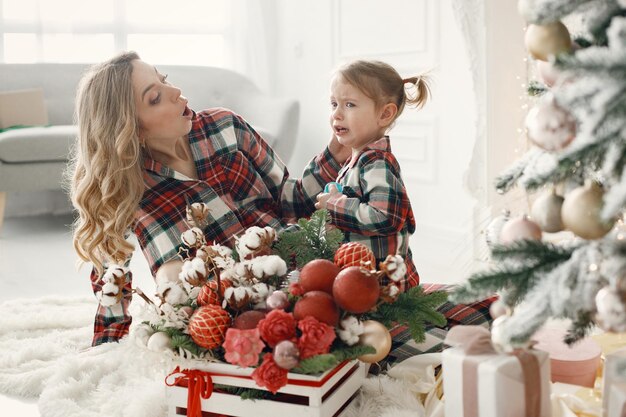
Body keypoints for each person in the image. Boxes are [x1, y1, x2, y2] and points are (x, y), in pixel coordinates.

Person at [68, 51, 351, 346]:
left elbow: (289, 198)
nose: (177, 93)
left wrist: (334, 153)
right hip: (223, 322)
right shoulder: (126, 189)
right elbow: (111, 279)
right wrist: (108, 345)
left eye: (163, 80)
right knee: (171, 273)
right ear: (132, 130)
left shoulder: (226, 128)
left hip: (299, 278)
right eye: (155, 97)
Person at [315, 60, 429, 290]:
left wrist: (335, 205)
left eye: (349, 105)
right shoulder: (356, 161)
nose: (336, 114)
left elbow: (384, 216)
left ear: (385, 114)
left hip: (383, 287)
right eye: (333, 103)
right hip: (359, 284)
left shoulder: (376, 162)